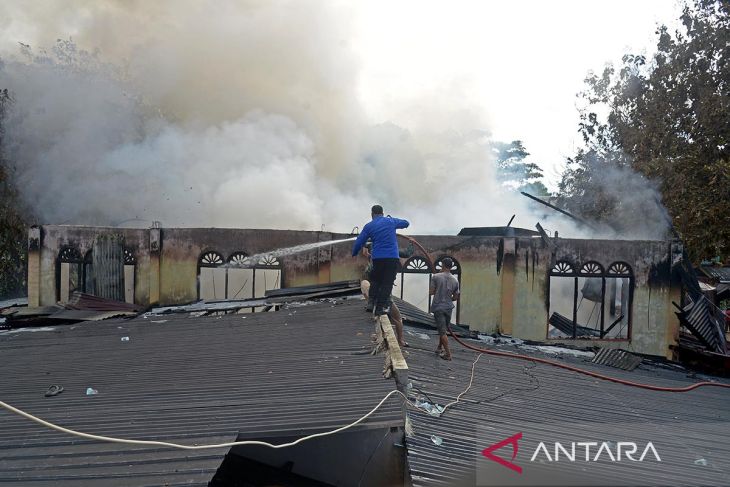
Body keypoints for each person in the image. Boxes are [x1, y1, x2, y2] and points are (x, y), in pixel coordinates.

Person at [352, 205, 409, 315]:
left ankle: (371, 303)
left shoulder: (369, 226)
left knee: (375, 281)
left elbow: (359, 241)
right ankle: (380, 308)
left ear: (372, 214)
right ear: (382, 213)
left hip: (378, 258)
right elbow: (406, 223)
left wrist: (354, 252)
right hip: (392, 258)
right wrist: (392, 220)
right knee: (387, 284)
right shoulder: (391, 221)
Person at [430, 257, 460, 360]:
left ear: (442, 265)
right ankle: (439, 347)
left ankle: (448, 354)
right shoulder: (455, 280)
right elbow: (455, 297)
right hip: (448, 308)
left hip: (438, 307)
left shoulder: (436, 277)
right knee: (443, 329)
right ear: (451, 267)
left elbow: (431, 292)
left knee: (442, 331)